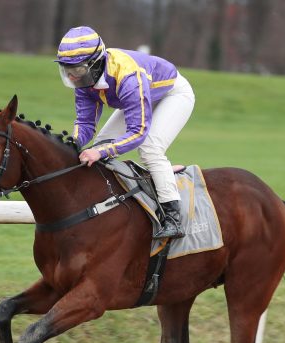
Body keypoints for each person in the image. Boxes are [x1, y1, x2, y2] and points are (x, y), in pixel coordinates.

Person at [55, 26, 195, 239]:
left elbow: (138, 132)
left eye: (78, 70)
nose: (73, 77)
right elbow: (85, 124)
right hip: (142, 93)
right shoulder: (84, 81)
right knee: (101, 143)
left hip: (172, 95)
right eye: (68, 70)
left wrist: (100, 153)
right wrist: (72, 143)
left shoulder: (127, 76)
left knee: (150, 148)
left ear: (95, 63)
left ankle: (173, 216)